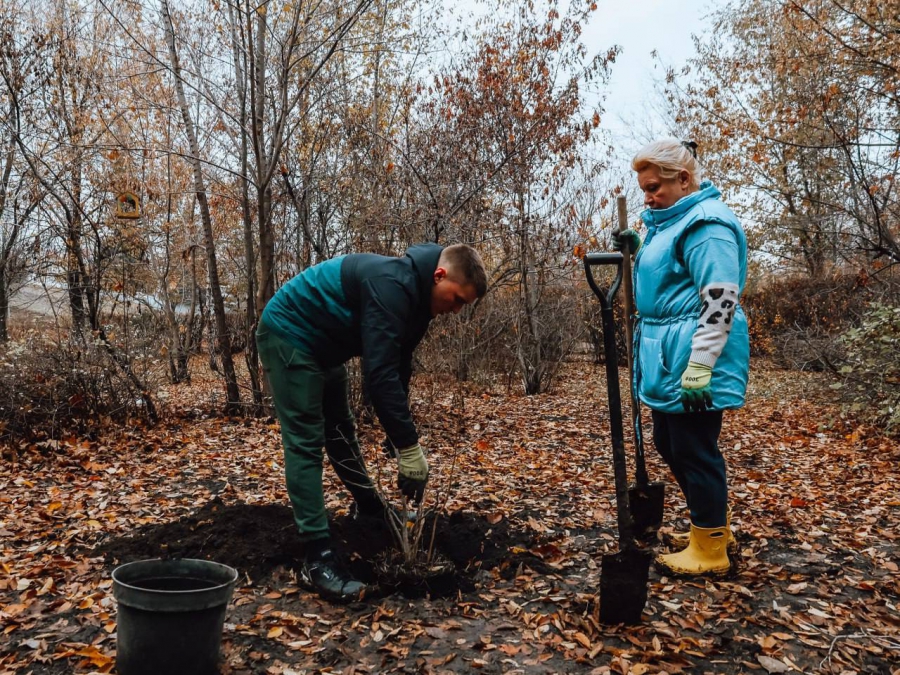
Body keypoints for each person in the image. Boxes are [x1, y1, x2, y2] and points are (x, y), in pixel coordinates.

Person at [256, 243, 488, 600]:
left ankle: (370, 509)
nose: (456, 310)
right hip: (290, 333)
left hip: (325, 345)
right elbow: (377, 376)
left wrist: (399, 436)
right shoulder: (391, 285)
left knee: (341, 432)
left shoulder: (418, 301)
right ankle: (317, 557)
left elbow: (398, 366)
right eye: (457, 299)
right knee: (306, 442)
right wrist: (410, 447)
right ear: (439, 276)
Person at [614, 138, 749, 576]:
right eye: (644, 190)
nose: (648, 196)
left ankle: (711, 550)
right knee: (670, 443)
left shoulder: (706, 226)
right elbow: (668, 276)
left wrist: (701, 364)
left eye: (654, 187)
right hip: (668, 353)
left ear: (684, 179)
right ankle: (707, 528)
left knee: (695, 449)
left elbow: (720, 298)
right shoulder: (672, 224)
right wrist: (642, 245)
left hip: (692, 356)